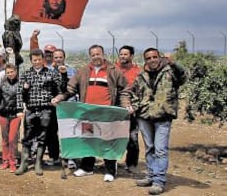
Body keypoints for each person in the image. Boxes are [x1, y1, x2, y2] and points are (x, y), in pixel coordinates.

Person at [62, 44, 130, 182]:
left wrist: (125, 104)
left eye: (98, 54)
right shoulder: (83, 71)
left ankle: (110, 170)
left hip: (106, 114)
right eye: (93, 55)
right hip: (88, 113)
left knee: (107, 140)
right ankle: (87, 168)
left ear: (103, 54)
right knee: (88, 139)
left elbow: (124, 89)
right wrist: (60, 97)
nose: (96, 57)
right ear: (90, 56)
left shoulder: (113, 70)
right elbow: (71, 88)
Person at [128, 48, 187, 195]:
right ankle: (150, 175)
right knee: (149, 148)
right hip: (145, 116)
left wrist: (173, 63)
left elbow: (184, 76)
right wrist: (136, 106)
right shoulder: (141, 75)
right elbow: (133, 92)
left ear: (160, 58)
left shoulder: (170, 72)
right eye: (148, 58)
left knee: (160, 149)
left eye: (155, 57)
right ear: (145, 60)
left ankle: (158, 181)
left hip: (163, 115)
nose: (152, 60)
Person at [15, 49, 64, 176]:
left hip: (46, 109)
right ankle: (24, 163)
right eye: (34, 60)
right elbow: (19, 94)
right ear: (31, 61)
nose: (37, 62)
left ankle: (38, 163)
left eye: (39, 60)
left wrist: (57, 97)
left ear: (43, 59)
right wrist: (20, 109)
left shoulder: (51, 73)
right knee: (27, 137)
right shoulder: (26, 74)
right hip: (31, 109)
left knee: (43, 137)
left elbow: (61, 89)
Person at [115, 45, 141, 173]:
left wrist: (134, 106)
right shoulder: (113, 69)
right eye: (121, 54)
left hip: (131, 110)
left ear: (131, 56)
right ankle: (111, 162)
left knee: (133, 138)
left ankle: (131, 164)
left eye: (125, 54)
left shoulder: (138, 72)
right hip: (114, 108)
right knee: (112, 136)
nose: (122, 57)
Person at [0, 63, 22, 173]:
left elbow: (24, 98)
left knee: (13, 139)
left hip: (16, 114)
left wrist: (21, 110)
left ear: (15, 71)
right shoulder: (2, 84)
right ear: (5, 73)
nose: (10, 74)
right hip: (3, 114)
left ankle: (13, 161)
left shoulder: (21, 84)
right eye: (8, 72)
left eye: (12, 72)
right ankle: (5, 160)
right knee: (5, 139)